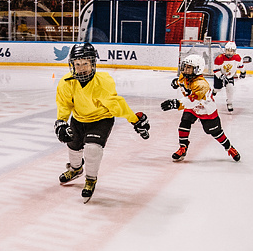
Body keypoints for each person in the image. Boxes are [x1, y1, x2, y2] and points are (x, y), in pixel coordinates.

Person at [55, 42, 150, 203]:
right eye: (77, 64)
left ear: (93, 63)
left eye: (85, 63)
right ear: (72, 64)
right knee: (73, 146)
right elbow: (64, 104)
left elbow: (117, 105)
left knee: (92, 149)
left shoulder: (103, 82)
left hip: (101, 120)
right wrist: (61, 122)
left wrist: (134, 119)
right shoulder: (66, 82)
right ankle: (76, 169)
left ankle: (90, 179)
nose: (81, 67)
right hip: (78, 118)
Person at [161, 54, 241, 162]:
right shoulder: (184, 76)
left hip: (205, 110)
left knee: (216, 133)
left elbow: (192, 101)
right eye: (185, 66)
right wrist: (176, 82)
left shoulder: (201, 85)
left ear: (197, 69)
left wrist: (176, 103)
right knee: (184, 124)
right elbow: (181, 82)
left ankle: (229, 148)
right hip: (192, 107)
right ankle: (182, 148)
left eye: (189, 67)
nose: (185, 69)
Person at [211, 41, 245, 113]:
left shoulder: (237, 57)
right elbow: (215, 70)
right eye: (228, 50)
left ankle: (229, 102)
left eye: (231, 51)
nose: (229, 53)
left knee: (230, 88)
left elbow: (240, 66)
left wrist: (243, 72)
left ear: (234, 51)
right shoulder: (219, 58)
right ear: (225, 50)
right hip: (220, 76)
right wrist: (221, 76)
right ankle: (214, 90)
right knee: (218, 89)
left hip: (229, 76)